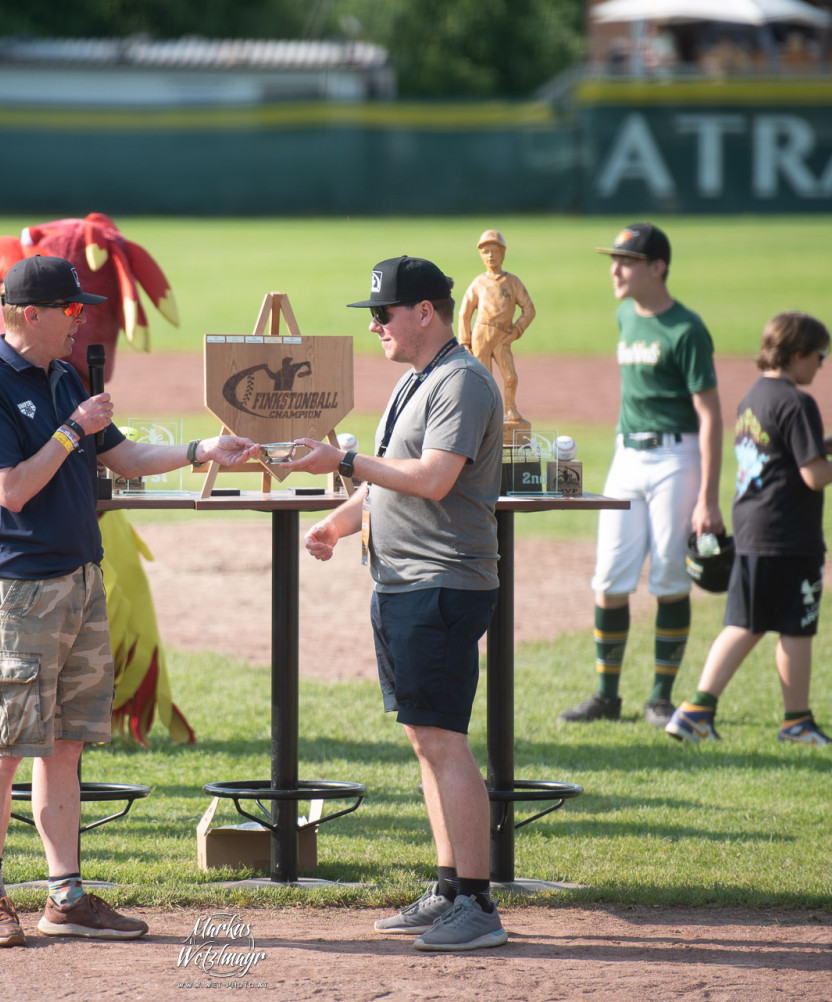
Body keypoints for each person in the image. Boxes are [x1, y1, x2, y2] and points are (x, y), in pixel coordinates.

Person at [0, 255, 256, 947]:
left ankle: (66, 897)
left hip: (79, 583)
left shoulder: (65, 377)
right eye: (72, 308)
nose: (82, 320)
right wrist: (71, 430)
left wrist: (204, 448)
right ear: (33, 313)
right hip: (16, 594)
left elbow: (120, 459)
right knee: (2, 748)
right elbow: (11, 492)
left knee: (65, 748)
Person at [280, 255, 508, 952]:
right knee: (425, 739)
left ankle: (476, 901)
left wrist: (341, 462)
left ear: (425, 313)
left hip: (442, 582)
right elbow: (390, 480)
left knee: (444, 741)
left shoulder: (463, 382)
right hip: (405, 581)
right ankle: (448, 889)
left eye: (383, 313)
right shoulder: (419, 379)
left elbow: (433, 480)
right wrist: (341, 521)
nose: (375, 325)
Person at [666, 312, 832, 746]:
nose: (821, 364)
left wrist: (822, 445)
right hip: (788, 534)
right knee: (796, 623)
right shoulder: (798, 402)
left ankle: (699, 712)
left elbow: (782, 454)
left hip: (754, 526)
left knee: (746, 622)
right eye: (820, 355)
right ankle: (790, 721)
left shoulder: (754, 396)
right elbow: (814, 477)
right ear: (797, 354)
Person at [561, 223, 724, 728]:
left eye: (627, 261)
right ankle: (606, 696)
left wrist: (709, 499)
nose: (615, 269)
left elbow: (711, 413)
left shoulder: (687, 329)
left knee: (671, 577)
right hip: (625, 458)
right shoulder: (624, 316)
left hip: (678, 458)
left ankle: (659, 696)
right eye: (614, 259)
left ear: (658, 267)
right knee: (609, 577)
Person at [454, 229, 535, 425]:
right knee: (483, 378)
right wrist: (465, 341)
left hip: (502, 335)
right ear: (481, 255)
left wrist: (517, 330)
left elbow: (529, 309)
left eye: (495, 251)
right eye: (486, 252)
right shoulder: (478, 283)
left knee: (510, 377)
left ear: (503, 253)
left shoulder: (512, 282)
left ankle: (510, 409)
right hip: (481, 333)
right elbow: (464, 313)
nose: (490, 256)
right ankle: (486, 414)